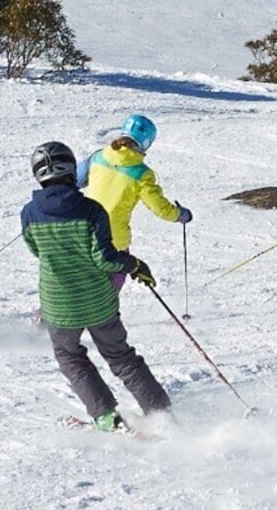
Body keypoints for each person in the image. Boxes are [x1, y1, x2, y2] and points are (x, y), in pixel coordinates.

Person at [19, 140, 172, 429]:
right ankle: (160, 413)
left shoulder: (29, 213)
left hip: (59, 306)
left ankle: (104, 417)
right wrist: (134, 265)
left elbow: (35, 249)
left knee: (70, 357)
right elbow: (106, 260)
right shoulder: (92, 210)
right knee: (121, 356)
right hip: (99, 301)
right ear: (72, 169)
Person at [86, 113, 188, 252]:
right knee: (114, 271)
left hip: (84, 234)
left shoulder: (98, 157)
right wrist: (180, 214)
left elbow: (73, 180)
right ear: (146, 143)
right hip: (113, 243)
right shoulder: (141, 174)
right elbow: (160, 208)